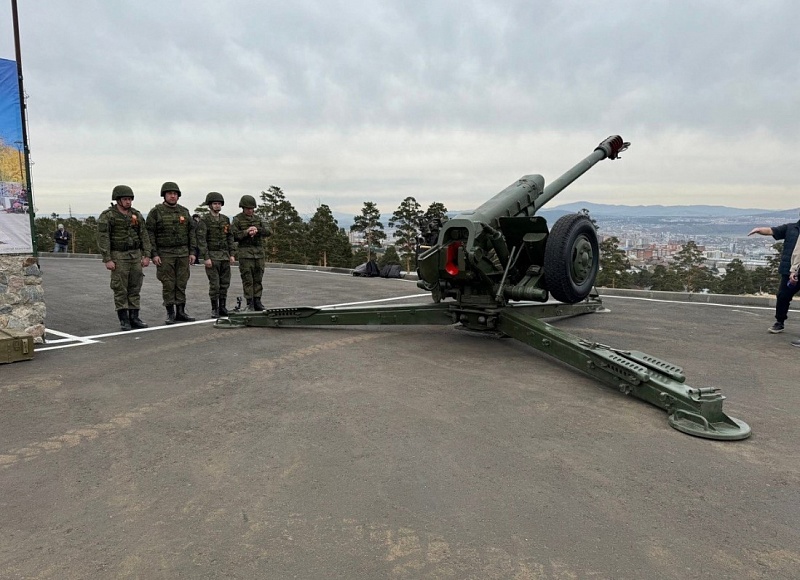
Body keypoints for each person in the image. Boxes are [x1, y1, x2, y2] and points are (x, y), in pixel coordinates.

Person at [96, 185, 152, 331]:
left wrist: (147, 255)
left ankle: (134, 317)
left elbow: (144, 235)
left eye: (130, 199)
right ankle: (124, 319)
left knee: (135, 286)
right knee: (120, 288)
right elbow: (103, 238)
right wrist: (107, 258)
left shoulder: (136, 215)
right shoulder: (108, 215)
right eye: (125, 199)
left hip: (135, 254)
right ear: (118, 200)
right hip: (118, 255)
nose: (128, 202)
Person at [146, 181, 197, 324]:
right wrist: (154, 254)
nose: (172, 196)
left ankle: (181, 311)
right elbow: (150, 233)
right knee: (168, 283)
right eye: (170, 194)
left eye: (175, 194)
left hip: (182, 252)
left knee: (181, 282)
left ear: (178, 196)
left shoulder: (184, 211)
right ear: (164, 195)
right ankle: (170, 313)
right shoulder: (156, 212)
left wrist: (192, 252)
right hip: (165, 253)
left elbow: (191, 232)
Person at [748, 219, 800, 333]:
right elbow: (773, 231)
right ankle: (779, 322)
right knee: (782, 296)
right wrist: (759, 230)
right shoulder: (791, 228)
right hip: (789, 270)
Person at [196, 192, 236, 317]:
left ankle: (222, 307)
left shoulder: (225, 219)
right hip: (212, 256)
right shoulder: (204, 220)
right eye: (215, 204)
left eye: (219, 204)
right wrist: (206, 257)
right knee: (215, 284)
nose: (217, 206)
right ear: (210, 205)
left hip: (224, 256)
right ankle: (215, 308)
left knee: (225, 283)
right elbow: (201, 240)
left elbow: (230, 237)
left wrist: (232, 254)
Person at [231, 194, 271, 311]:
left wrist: (257, 230)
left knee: (258, 278)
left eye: (252, 208)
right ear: (243, 208)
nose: (250, 210)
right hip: (245, 254)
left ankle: (258, 300)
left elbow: (268, 231)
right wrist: (246, 232)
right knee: (248, 279)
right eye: (248, 208)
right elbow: (234, 235)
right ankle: (250, 302)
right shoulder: (237, 219)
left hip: (258, 253)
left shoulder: (258, 219)